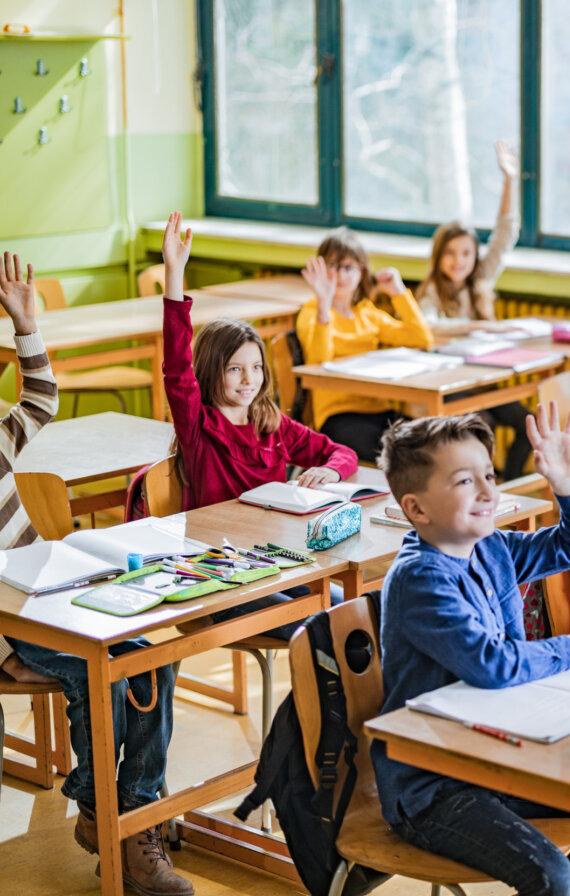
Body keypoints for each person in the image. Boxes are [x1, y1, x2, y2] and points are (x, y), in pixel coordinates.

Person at [371, 408, 570, 896]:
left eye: (489, 476)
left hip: (502, 754)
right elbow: (492, 665)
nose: (490, 493)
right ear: (417, 509)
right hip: (434, 785)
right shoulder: (421, 578)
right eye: (464, 482)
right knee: (549, 875)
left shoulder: (489, 547)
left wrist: (564, 482)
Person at [1, 251, 191, 896]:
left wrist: (27, 325)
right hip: (13, 618)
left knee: (152, 653)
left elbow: (42, 400)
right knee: (98, 668)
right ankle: (115, 822)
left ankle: (116, 807)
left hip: (51, 588)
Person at [161, 211, 354, 637]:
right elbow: (176, 367)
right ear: (212, 371)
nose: (249, 380)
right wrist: (175, 275)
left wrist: (329, 469)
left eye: (256, 368)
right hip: (217, 572)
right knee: (319, 628)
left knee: (355, 612)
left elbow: (342, 453)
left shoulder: (272, 424)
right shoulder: (199, 425)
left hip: (274, 560)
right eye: (234, 370)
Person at [416, 140, 532, 481]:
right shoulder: (431, 292)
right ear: (438, 257)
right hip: (454, 387)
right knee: (485, 430)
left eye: (466, 253)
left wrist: (510, 179)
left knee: (529, 426)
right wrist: (480, 328)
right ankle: (485, 489)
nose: (459, 262)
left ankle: (508, 487)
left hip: (486, 382)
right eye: (450, 254)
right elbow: (428, 327)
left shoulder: (480, 280)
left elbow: (505, 233)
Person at [296, 226, 433, 463]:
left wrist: (398, 293)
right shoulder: (312, 313)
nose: (340, 274)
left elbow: (422, 338)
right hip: (338, 415)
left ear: (361, 273)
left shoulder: (367, 313)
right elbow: (319, 361)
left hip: (379, 410)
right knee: (399, 456)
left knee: (430, 443)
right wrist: (323, 306)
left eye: (348, 267)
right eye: (333, 265)